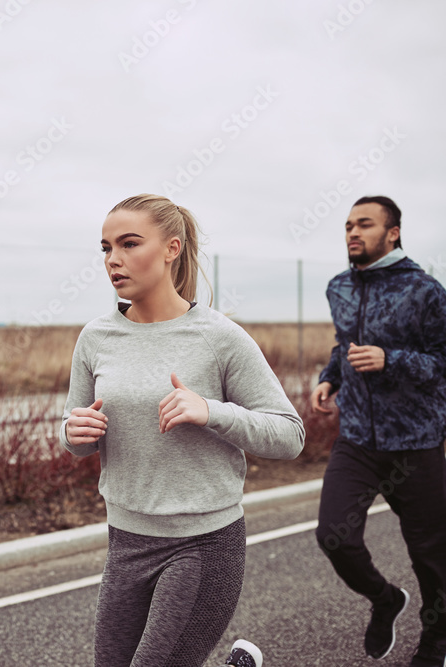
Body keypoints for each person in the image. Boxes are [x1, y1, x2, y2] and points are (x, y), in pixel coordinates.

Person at [60, 194, 305, 667]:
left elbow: (290, 434)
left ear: (172, 248)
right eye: (106, 248)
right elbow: (76, 436)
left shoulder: (218, 337)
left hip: (203, 543)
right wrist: (75, 432)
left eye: (130, 244)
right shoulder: (96, 337)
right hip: (125, 540)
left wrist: (211, 411)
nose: (114, 260)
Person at [311, 195, 446, 667]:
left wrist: (393, 360)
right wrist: (332, 375)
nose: (352, 232)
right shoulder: (339, 287)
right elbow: (343, 344)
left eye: (364, 224)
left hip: (417, 442)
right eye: (348, 224)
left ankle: (436, 640)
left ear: (392, 233)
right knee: (333, 535)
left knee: (431, 556)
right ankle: (386, 598)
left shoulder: (426, 290)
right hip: (358, 440)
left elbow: (442, 362)